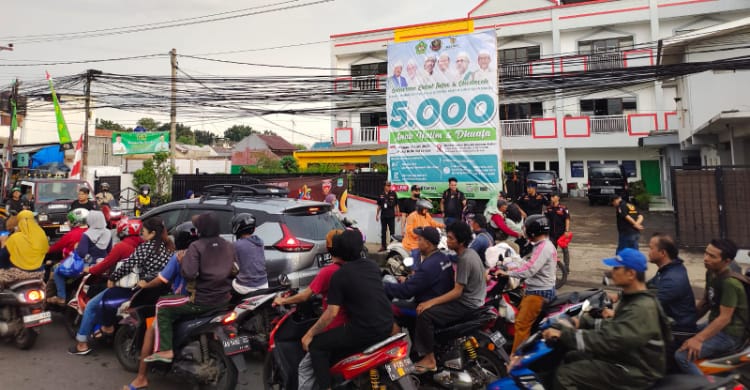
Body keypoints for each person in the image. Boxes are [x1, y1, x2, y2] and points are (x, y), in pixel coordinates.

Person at [542, 248, 669, 390]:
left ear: (631, 274)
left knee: (564, 375)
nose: (612, 272)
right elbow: (616, 327)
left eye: (616, 268)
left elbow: (610, 341)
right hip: (628, 358)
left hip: (636, 371)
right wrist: (582, 322)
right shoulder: (633, 299)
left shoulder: (641, 308)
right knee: (572, 356)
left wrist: (564, 334)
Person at [303, 229, 393, 389]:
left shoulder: (340, 275)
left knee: (317, 345)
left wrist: (309, 334)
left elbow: (331, 314)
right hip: (387, 325)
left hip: (363, 330)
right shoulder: (372, 266)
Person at [145, 213, 235, 363]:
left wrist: (183, 262)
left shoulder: (196, 247)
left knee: (162, 304)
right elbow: (235, 269)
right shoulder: (227, 245)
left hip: (200, 301)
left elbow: (189, 274)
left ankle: (165, 350)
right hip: (224, 300)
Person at [122, 222, 199, 390]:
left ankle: (141, 377)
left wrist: (145, 285)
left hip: (182, 299)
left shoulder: (178, 255)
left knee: (151, 328)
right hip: (207, 299)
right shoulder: (204, 253)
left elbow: (162, 279)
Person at [273, 229, 346, 390]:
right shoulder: (354, 268)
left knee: (305, 366)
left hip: (335, 327)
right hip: (355, 326)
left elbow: (305, 296)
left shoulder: (329, 271)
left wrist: (282, 300)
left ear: (329, 248)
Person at [412, 222, 486, 373]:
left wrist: (429, 303)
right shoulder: (471, 253)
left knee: (424, 314)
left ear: (461, 241)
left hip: (466, 304)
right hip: (477, 300)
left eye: (451, 238)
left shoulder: (465, 259)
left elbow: (457, 292)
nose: (448, 241)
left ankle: (429, 359)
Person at [69, 218, 144, 356]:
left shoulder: (121, 246)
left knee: (91, 305)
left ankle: (82, 343)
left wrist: (90, 270)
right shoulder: (145, 245)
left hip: (123, 287)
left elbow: (105, 264)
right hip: (142, 288)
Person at [675, 238, 748, 375]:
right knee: (679, 334)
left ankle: (706, 385)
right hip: (714, 323)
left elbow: (724, 318)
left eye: (712, 256)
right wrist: (686, 322)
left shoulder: (730, 283)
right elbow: (706, 302)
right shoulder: (712, 272)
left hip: (729, 334)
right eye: (706, 253)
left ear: (727, 261)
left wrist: (698, 339)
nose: (706, 258)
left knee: (683, 357)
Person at [495, 215, 557, 353]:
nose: (524, 230)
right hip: (537, 290)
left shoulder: (543, 247)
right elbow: (526, 263)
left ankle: (516, 359)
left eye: (526, 228)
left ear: (533, 231)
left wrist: (508, 273)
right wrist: (509, 265)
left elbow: (529, 269)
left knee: (522, 325)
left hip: (538, 293)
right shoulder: (542, 245)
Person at [645, 233, 697, 372]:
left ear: (662, 253)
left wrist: (618, 312)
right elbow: (646, 288)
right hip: (669, 326)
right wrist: (620, 295)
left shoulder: (672, 279)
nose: (648, 252)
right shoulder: (667, 270)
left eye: (651, 248)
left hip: (677, 333)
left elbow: (649, 305)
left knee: (654, 369)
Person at [49, 210, 112, 306]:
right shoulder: (108, 233)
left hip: (86, 265)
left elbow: (81, 253)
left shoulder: (87, 234)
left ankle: (61, 297)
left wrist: (75, 250)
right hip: (102, 265)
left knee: (57, 271)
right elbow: (109, 251)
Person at [384, 226, 454, 304]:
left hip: (427, 305)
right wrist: (408, 280)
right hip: (439, 300)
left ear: (427, 243)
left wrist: (383, 286)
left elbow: (406, 291)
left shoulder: (429, 265)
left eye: (420, 239)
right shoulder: (443, 257)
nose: (418, 242)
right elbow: (423, 280)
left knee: (394, 306)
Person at [231, 213, 268, 294]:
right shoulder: (260, 242)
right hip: (264, 284)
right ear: (254, 229)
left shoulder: (236, 245)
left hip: (246, 287)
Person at [545, 193, 571, 269]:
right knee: (552, 251)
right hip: (552, 234)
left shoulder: (563, 208)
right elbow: (545, 219)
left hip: (562, 233)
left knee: (565, 250)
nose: (552, 197)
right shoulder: (549, 208)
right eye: (551, 196)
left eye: (553, 196)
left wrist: (567, 230)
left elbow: (567, 219)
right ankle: (552, 266)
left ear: (558, 198)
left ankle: (566, 267)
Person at [376, 181, 399, 252]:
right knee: (383, 232)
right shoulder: (381, 194)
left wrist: (398, 214)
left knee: (392, 232)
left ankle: (392, 247)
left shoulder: (393, 193)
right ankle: (383, 246)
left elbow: (396, 205)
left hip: (391, 215)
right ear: (384, 186)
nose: (389, 187)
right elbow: (379, 206)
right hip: (383, 216)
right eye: (387, 186)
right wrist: (377, 214)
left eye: (390, 186)